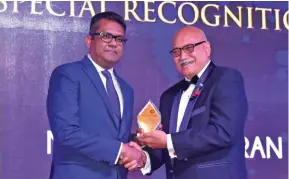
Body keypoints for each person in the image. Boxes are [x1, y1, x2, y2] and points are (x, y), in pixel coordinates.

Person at [123, 26, 248, 179]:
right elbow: (166, 149)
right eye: (176, 52)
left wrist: (168, 141)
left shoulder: (226, 78)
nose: (182, 56)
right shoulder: (168, 96)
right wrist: (143, 158)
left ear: (207, 48)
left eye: (189, 48)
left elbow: (223, 132)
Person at [46, 11, 146, 179]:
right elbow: (66, 133)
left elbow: (114, 137)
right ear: (89, 40)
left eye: (119, 39)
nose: (113, 43)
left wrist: (138, 143)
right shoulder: (68, 75)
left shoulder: (126, 90)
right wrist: (121, 150)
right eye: (106, 36)